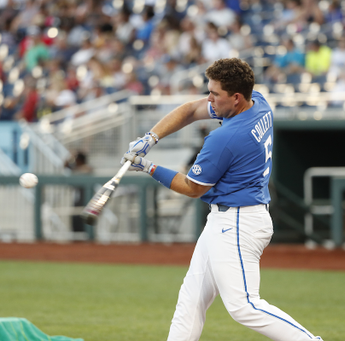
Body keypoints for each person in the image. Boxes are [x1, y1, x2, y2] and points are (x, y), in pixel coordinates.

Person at [121, 58, 323, 341]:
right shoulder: (259, 102)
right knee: (191, 299)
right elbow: (191, 110)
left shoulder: (226, 138)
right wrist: (151, 137)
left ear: (236, 98)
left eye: (215, 94)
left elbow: (193, 188)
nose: (209, 99)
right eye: (210, 91)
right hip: (229, 218)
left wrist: (148, 167)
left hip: (239, 222)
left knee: (244, 306)